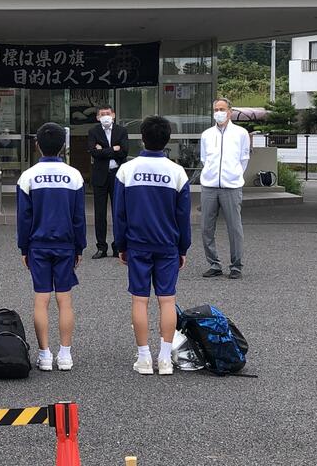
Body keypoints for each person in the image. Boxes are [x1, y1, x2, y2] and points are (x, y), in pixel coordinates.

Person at [113, 116, 191, 376]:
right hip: (168, 244)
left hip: (137, 244)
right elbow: (183, 216)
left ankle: (144, 357)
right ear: (167, 139)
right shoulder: (177, 172)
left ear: (142, 138)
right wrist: (183, 248)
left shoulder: (127, 170)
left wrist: (121, 245)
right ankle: (165, 359)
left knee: (140, 300)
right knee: (167, 300)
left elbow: (120, 214)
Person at [17, 122, 86, 372]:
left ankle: (44, 354)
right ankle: (65, 354)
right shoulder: (74, 176)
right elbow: (78, 217)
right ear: (63, 146)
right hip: (66, 244)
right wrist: (80, 247)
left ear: (37, 145)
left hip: (38, 244)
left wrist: (23, 248)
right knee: (64, 299)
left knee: (41, 298)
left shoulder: (28, 176)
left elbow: (24, 218)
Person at [199, 98, 251, 280]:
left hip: (231, 186)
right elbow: (204, 159)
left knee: (234, 228)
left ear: (230, 111)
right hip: (209, 186)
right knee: (206, 227)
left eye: (222, 109)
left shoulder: (241, 133)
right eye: (216, 109)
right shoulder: (206, 134)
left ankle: (236, 266)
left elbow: (244, 159)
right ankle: (214, 264)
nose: (218, 112)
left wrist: (234, 175)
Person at [87, 105, 129, 259]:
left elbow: (124, 151)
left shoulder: (121, 131)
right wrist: (113, 149)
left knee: (119, 212)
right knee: (100, 213)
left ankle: (118, 246)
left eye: (108, 113)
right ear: (98, 117)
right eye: (102, 114)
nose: (105, 116)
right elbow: (93, 152)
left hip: (117, 175)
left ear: (113, 115)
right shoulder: (93, 131)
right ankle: (101, 247)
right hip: (100, 176)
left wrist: (103, 149)